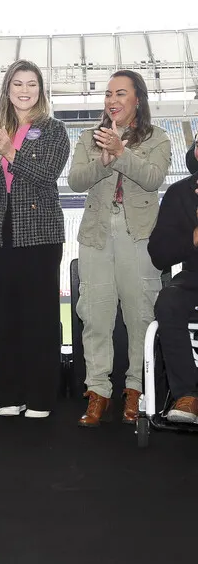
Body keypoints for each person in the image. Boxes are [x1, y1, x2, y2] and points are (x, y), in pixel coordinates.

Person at [69, 70, 171, 427]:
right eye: (108, 93)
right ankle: (98, 392)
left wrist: (121, 153)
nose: (112, 99)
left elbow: (153, 178)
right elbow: (76, 181)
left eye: (121, 93)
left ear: (137, 100)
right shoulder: (88, 137)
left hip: (139, 236)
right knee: (95, 317)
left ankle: (136, 391)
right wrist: (104, 159)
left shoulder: (158, 138)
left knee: (140, 316)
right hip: (96, 235)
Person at [0, 59, 69, 419]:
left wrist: (10, 153)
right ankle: (10, 393)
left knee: (40, 317)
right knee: (6, 317)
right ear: (7, 89)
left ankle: (41, 395)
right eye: (18, 84)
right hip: (1, 233)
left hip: (41, 234)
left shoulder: (54, 129)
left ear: (40, 91)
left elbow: (46, 174)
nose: (24, 91)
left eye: (32, 84)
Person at [148, 173, 198, 422]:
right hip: (195, 274)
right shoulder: (180, 192)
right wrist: (193, 238)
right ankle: (187, 395)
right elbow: (159, 254)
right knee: (168, 301)